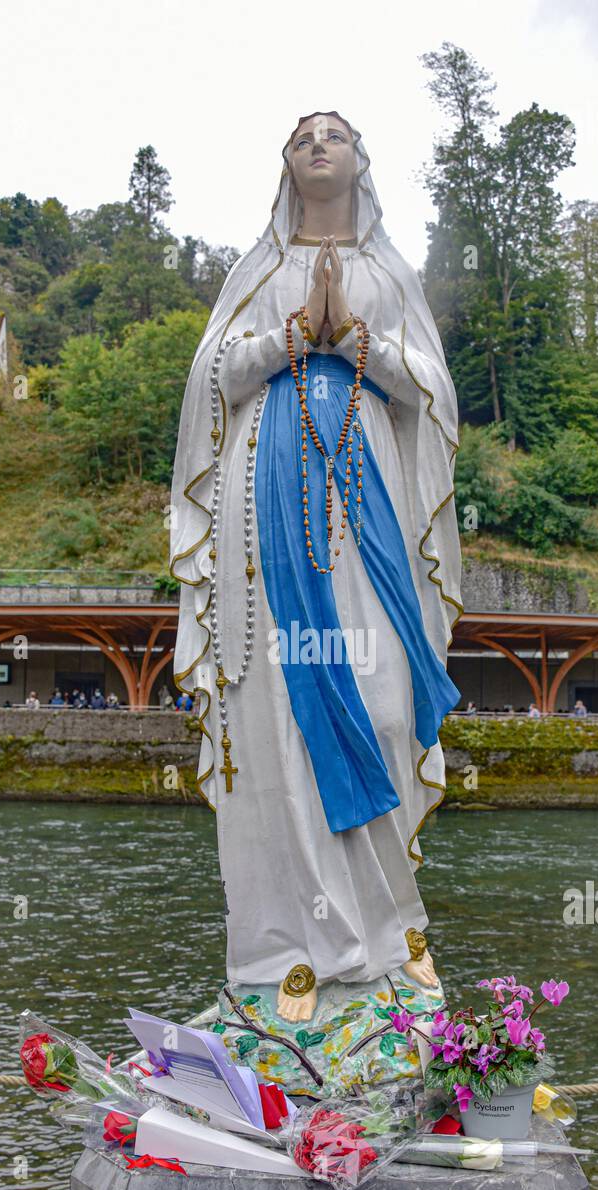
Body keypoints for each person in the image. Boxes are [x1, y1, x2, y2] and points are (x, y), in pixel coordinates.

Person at [169, 111, 462, 1021]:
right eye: (302, 136)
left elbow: (436, 394)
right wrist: (288, 339)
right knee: (275, 722)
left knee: (378, 703)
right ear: (286, 165)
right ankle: (288, 950)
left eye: (335, 133)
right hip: (266, 504)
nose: (318, 144)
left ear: (362, 160)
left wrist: (354, 344)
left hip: (364, 494)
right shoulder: (253, 271)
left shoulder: (388, 273)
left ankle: (389, 935)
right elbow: (208, 382)